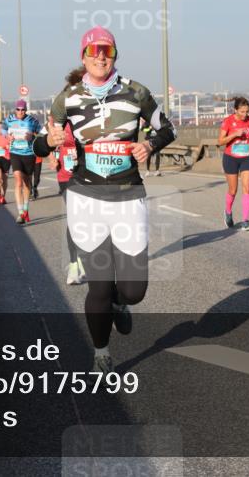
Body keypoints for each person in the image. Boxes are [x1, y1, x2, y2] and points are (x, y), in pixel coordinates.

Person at [35, 26, 175, 374]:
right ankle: (101, 353)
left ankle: (119, 302)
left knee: (134, 290)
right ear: (83, 56)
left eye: (107, 51)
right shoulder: (66, 98)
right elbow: (40, 144)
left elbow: (167, 128)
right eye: (94, 50)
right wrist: (50, 142)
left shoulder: (136, 92)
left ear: (114, 55)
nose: (100, 56)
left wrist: (149, 145)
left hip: (128, 195)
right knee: (98, 284)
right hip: (86, 197)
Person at [54, 67, 87, 285]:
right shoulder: (61, 111)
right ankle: (75, 264)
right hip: (67, 174)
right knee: (75, 220)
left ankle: (92, 259)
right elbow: (50, 138)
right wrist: (51, 149)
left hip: (93, 174)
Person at [218, 97, 249, 231]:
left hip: (246, 157)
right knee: (233, 190)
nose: (245, 114)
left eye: (247, 111)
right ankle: (228, 211)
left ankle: (245, 221)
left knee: (247, 188)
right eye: (242, 112)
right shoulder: (228, 121)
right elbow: (221, 141)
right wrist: (234, 134)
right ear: (235, 110)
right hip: (231, 158)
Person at [5, 100, 41, 223]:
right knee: (18, 181)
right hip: (15, 153)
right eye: (18, 109)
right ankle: (20, 213)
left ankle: (25, 210)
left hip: (29, 154)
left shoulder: (32, 121)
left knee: (26, 184)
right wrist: (7, 136)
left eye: (23, 109)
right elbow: (3, 129)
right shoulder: (9, 119)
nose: (20, 112)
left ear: (26, 110)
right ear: (15, 109)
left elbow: (41, 134)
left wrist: (32, 136)